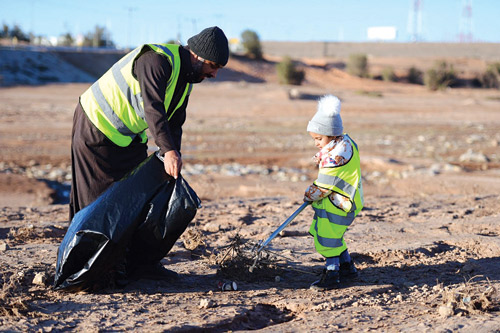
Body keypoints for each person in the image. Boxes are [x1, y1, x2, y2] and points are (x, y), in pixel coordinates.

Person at [68, 26, 229, 282]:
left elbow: (175, 122)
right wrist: (167, 151)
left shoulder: (185, 80)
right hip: (96, 127)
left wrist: (174, 155)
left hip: (128, 138)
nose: (215, 73)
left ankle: (138, 266)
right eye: (213, 66)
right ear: (197, 55)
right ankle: (86, 270)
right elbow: (153, 109)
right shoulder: (155, 60)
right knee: (97, 202)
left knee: (137, 201)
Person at [303, 95, 364, 291]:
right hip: (345, 201)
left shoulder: (336, 158)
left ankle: (332, 275)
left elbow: (323, 186)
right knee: (334, 235)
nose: (316, 144)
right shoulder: (346, 144)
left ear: (331, 134)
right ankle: (347, 267)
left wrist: (308, 195)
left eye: (319, 139)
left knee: (327, 238)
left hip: (339, 204)